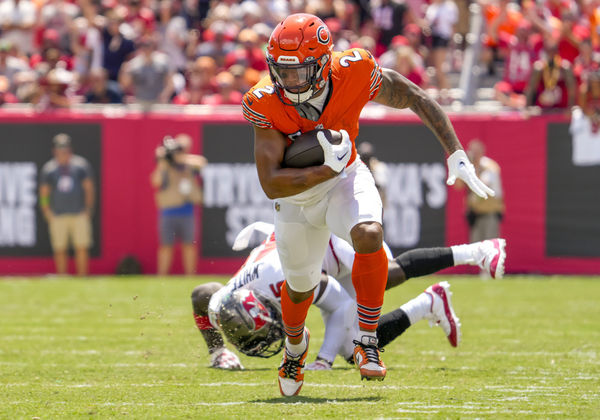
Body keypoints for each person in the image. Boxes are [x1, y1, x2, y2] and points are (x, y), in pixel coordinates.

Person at [242, 13, 496, 396]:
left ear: (324, 62)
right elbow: (272, 184)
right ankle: (295, 350)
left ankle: (367, 338)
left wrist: (455, 151)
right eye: (282, 70)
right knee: (299, 288)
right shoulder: (263, 100)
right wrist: (325, 169)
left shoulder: (355, 69)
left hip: (346, 176)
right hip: (297, 196)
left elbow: (413, 95)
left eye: (298, 71)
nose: (288, 80)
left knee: (369, 233)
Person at [191, 222, 506, 370]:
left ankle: (477, 251)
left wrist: (323, 362)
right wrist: (217, 350)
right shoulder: (230, 297)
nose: (260, 339)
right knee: (355, 347)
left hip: (332, 242)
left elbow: (341, 303)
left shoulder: (282, 279)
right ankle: (429, 302)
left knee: (382, 278)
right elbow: (202, 293)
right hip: (309, 256)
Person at [150, 134, 206, 276]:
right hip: (168, 211)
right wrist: (162, 160)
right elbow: (155, 182)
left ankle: (190, 275)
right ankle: (161, 276)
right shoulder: (165, 166)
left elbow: (203, 162)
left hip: (187, 211)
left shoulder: (189, 164)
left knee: (189, 245)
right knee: (166, 246)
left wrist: (180, 158)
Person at [39, 133, 95, 276]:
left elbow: (88, 188)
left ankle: (83, 276)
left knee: (81, 246)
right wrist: (46, 211)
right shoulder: (49, 169)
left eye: (65, 149)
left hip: (78, 213)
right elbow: (44, 192)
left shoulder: (80, 166)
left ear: (70, 150)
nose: (63, 153)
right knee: (59, 248)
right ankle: (62, 276)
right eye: (60, 149)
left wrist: (88, 209)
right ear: (55, 151)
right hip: (58, 214)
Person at [455, 140, 505, 246]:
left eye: (476, 152)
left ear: (482, 153)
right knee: (475, 250)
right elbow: (458, 186)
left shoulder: (490, 166)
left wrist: (472, 170)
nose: (473, 155)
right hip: (475, 215)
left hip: (489, 214)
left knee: (490, 249)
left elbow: (481, 186)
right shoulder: (469, 168)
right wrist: (461, 170)